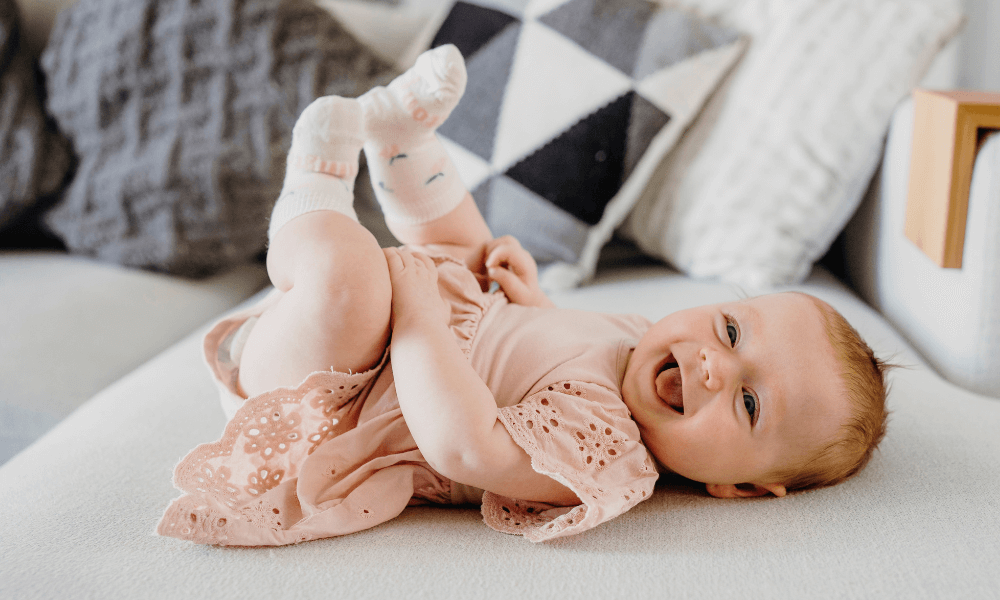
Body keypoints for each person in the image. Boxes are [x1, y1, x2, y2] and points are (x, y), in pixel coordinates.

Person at [157, 45, 889, 546]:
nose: (713, 366)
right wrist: (531, 300)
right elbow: (564, 347)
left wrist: (415, 315)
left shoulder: (609, 462)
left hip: (339, 396)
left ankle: (311, 186)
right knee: (479, 253)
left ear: (745, 489)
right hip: (437, 324)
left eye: (750, 403)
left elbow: (464, 442)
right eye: (731, 332)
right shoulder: (641, 339)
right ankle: (399, 135)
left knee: (353, 280)